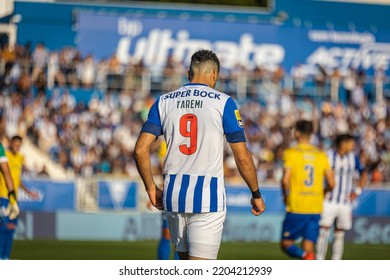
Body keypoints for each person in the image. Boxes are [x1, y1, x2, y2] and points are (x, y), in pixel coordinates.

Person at [134, 49, 266, 260]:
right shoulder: (223, 102)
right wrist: (256, 194)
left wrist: (151, 187)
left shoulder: (163, 102)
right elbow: (242, 157)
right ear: (214, 75)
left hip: (174, 196)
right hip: (208, 198)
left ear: (189, 73)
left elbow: (140, 149)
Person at [281, 120, 334, 260]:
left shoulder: (291, 153)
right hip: (315, 206)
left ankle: (304, 256)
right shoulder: (321, 154)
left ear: (296, 132)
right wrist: (323, 192)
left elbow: (285, 180)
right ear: (311, 134)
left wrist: (284, 195)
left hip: (297, 205)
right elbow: (332, 183)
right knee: (309, 246)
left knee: (286, 243)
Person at [316, 134, 367, 260]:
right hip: (328, 200)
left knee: (339, 234)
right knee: (323, 232)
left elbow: (364, 173)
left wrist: (358, 191)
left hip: (344, 202)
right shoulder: (328, 156)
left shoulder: (353, 158)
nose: (353, 145)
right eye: (351, 143)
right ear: (342, 144)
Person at [0, 135, 38, 259]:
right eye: (15, 144)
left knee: (11, 229)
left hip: (14, 199)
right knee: (3, 227)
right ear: (11, 143)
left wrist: (28, 192)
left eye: (19, 145)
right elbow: (6, 175)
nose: (17, 147)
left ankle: (6, 257)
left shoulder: (21, 158)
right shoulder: (4, 155)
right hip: (4, 196)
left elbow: (17, 179)